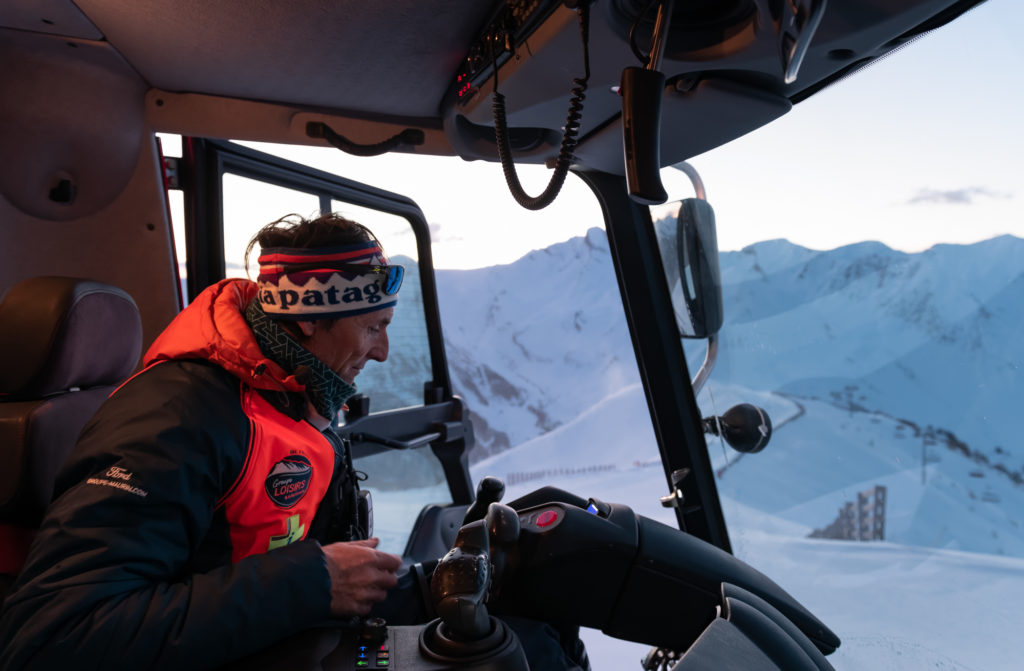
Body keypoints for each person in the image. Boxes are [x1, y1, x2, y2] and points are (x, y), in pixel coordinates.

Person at [0, 213, 406, 669]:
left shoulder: (289, 396)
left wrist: (425, 589)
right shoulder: (175, 420)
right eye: (373, 327)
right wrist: (311, 584)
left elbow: (317, 561)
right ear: (308, 318)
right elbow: (54, 638)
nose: (382, 351)